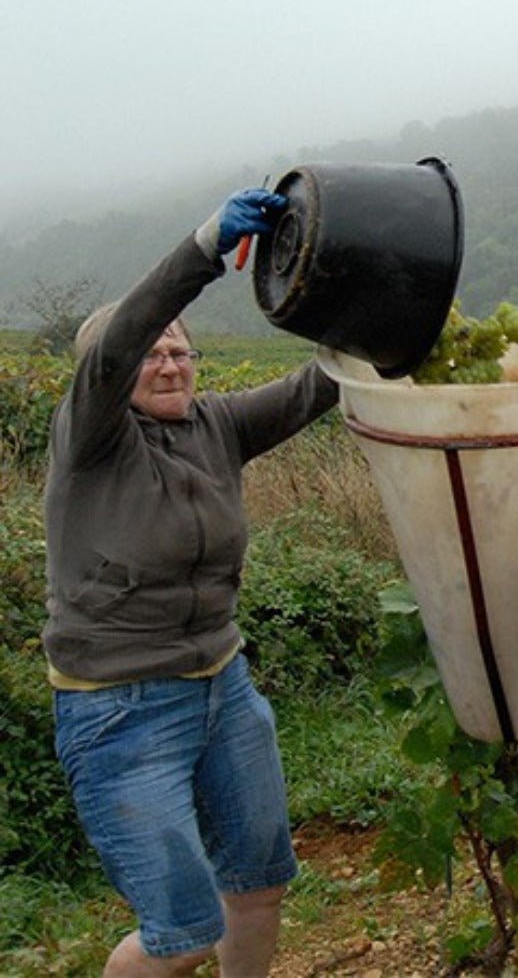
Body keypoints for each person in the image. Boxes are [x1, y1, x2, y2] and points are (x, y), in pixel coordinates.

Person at [44, 189, 340, 976]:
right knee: (183, 931)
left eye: (181, 350)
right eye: (152, 352)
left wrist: (381, 318)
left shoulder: (215, 425)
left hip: (223, 691)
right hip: (122, 708)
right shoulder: (92, 438)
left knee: (259, 886)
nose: (169, 360)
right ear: (110, 373)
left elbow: (320, 385)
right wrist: (205, 247)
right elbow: (125, 336)